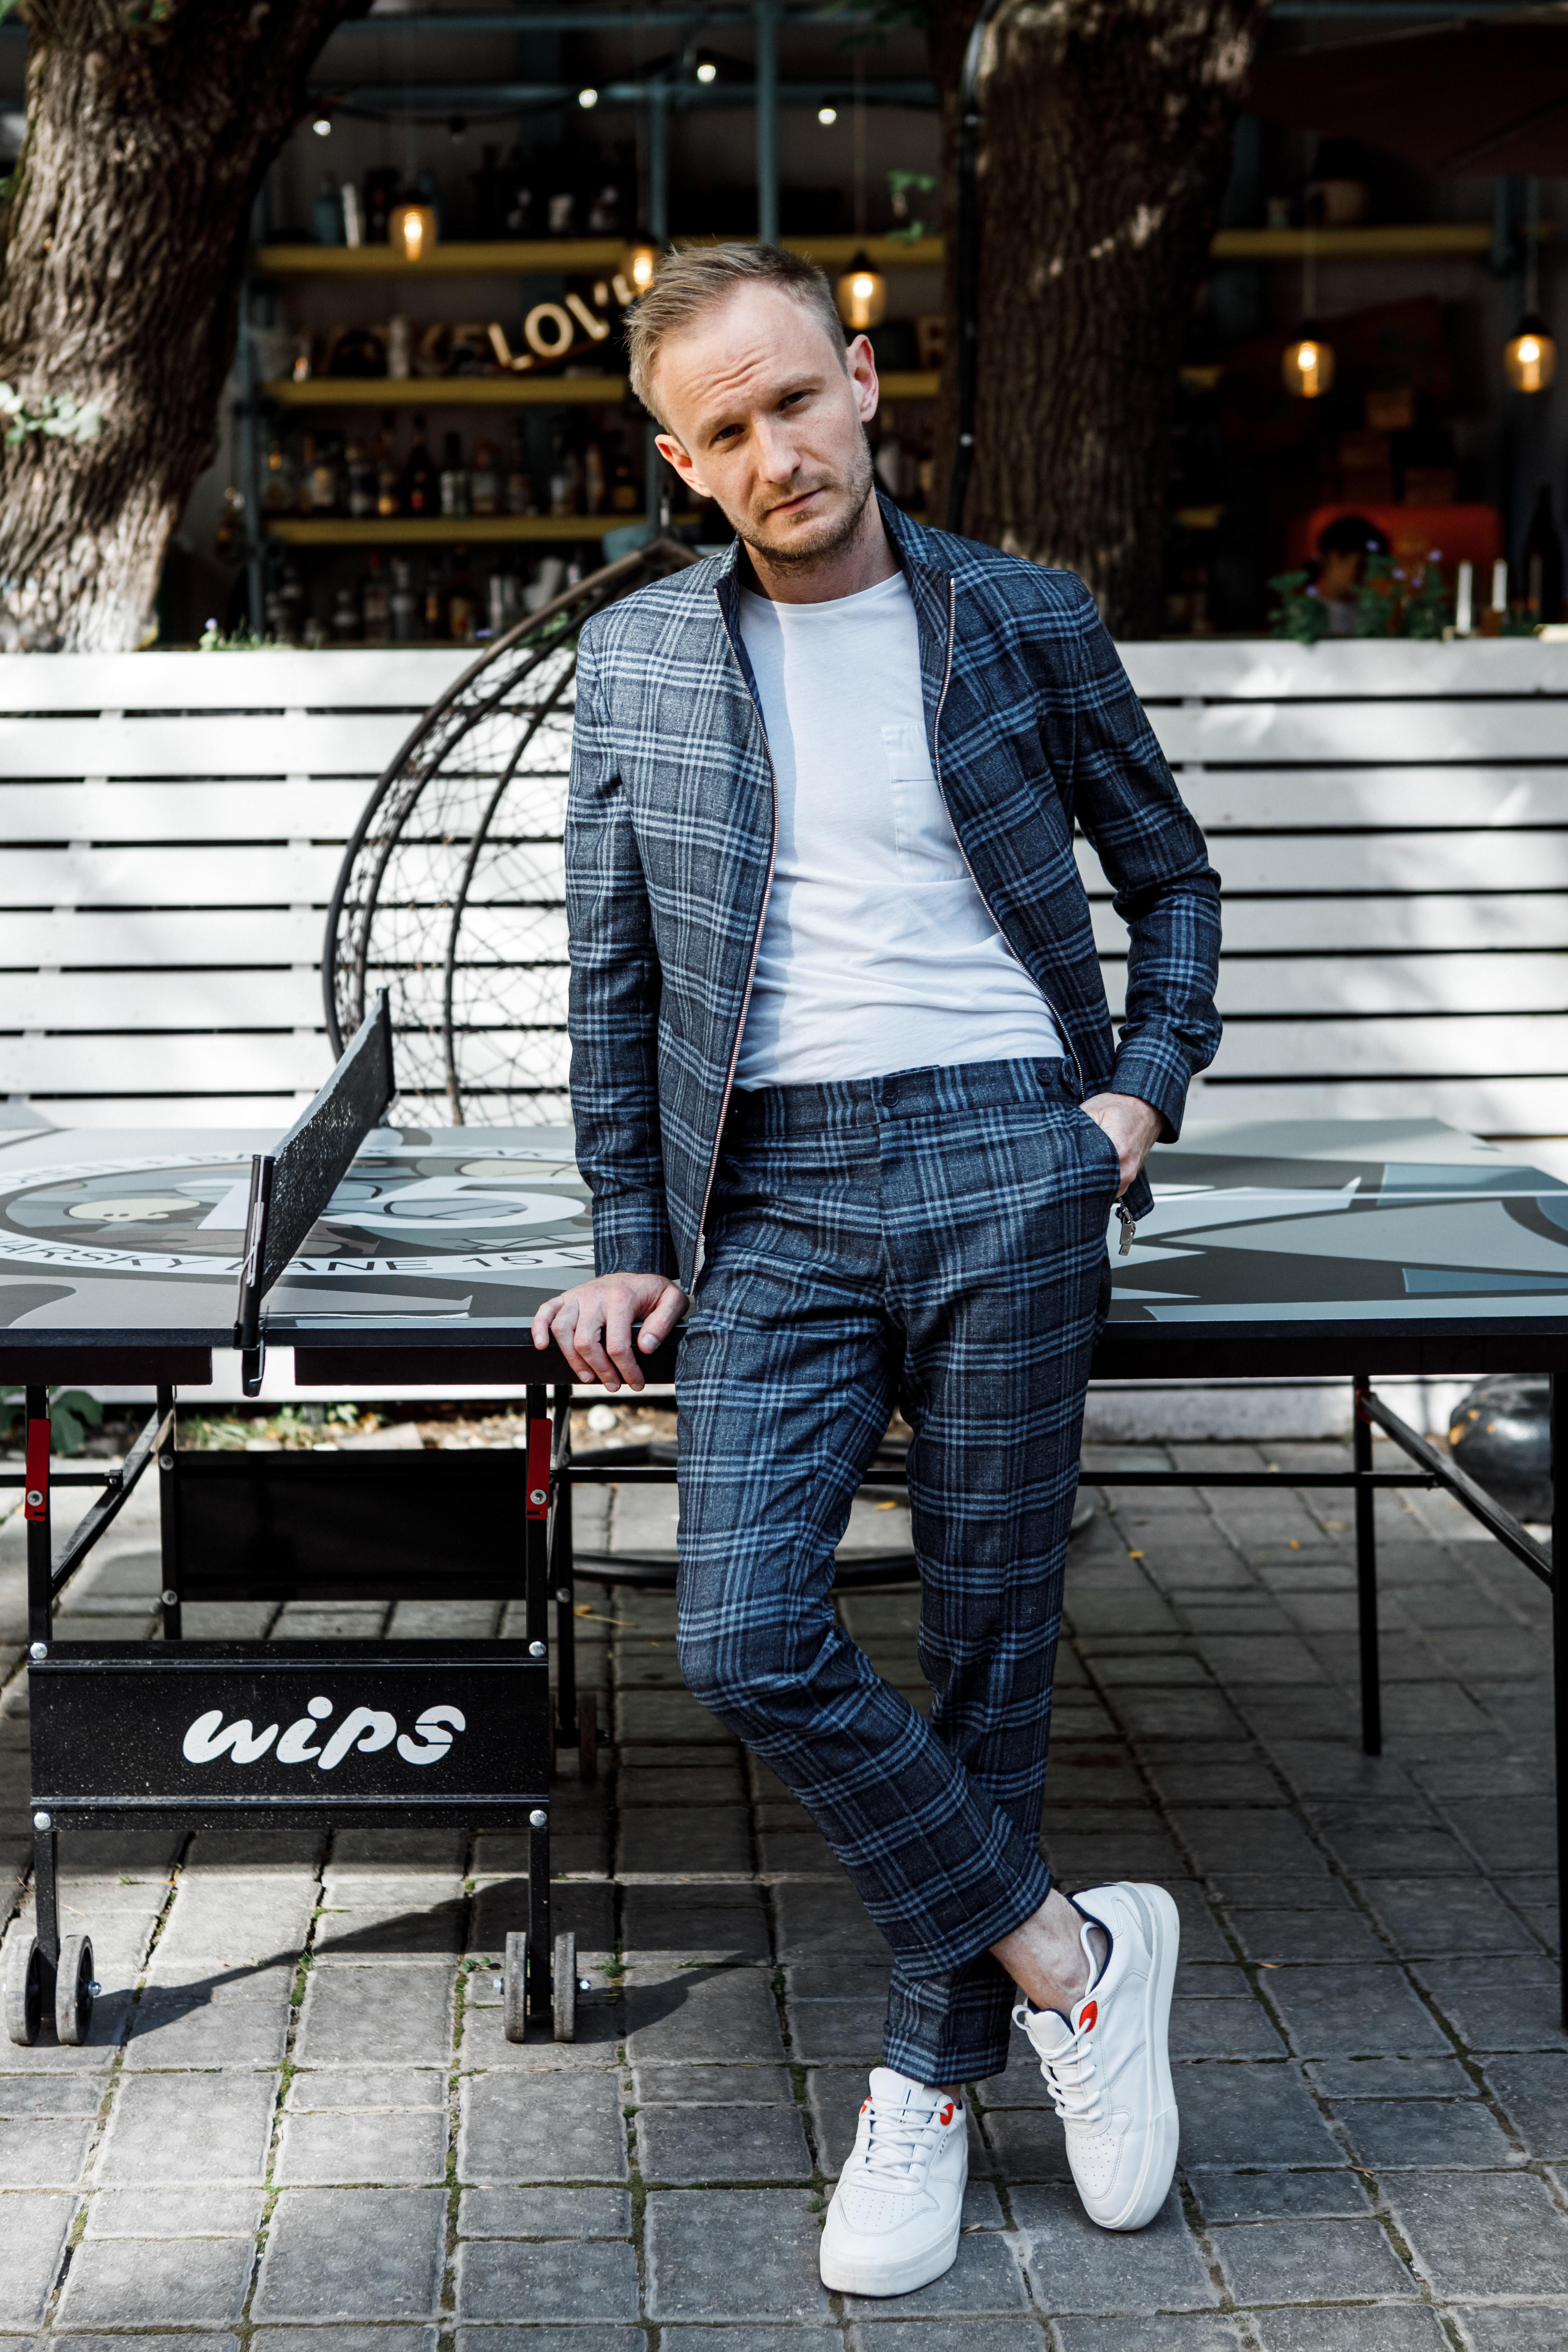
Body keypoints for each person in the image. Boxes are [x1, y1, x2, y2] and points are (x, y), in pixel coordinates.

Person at [531, 244, 1221, 2297]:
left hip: (1011, 1150)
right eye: (723, 430)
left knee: (991, 1648)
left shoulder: (1019, 615)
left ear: (857, 382)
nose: (774, 450)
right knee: (744, 1635)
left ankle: (921, 2085)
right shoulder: (637, 664)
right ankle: (1072, 1962)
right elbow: (612, 980)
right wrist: (628, 1241)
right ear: (682, 465)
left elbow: (1170, 879)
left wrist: (1131, 1105)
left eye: (792, 399)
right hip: (773, 1194)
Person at [1311, 512, 1389, 635]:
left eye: (1374, 570)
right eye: (1362, 566)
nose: (1367, 576)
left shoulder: (1372, 618)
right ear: (1334, 557)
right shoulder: (1303, 613)